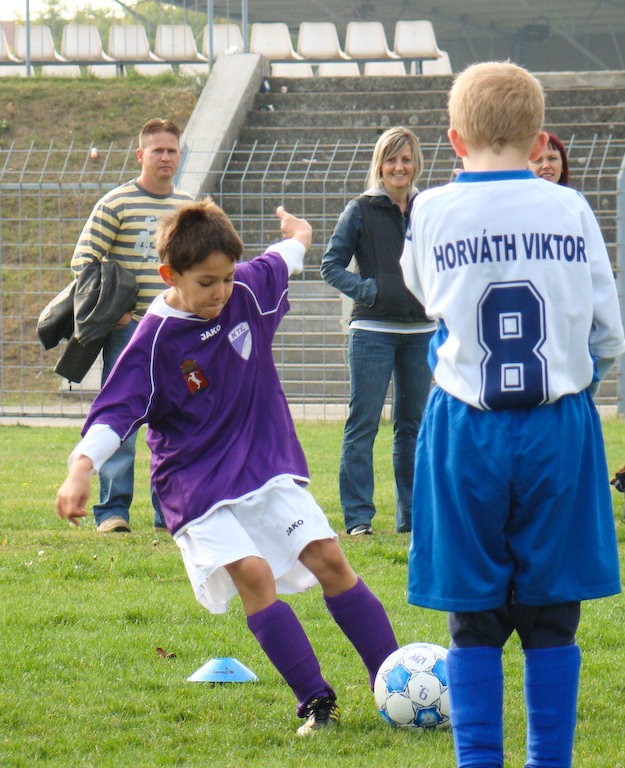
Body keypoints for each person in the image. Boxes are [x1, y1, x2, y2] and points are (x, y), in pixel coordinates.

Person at [56, 200, 399, 736]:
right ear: (170, 276)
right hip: (193, 483)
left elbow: (284, 257)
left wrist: (301, 234)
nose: (220, 292)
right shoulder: (152, 342)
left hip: (262, 464)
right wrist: (81, 468)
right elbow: (114, 411)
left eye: (226, 278)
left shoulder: (245, 290)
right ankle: (315, 701)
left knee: (331, 558)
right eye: (206, 282)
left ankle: (397, 682)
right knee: (256, 574)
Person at [399, 61, 625, 768]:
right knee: (552, 609)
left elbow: (422, 291)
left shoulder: (431, 208)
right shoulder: (570, 208)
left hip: (466, 424)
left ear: (455, 138)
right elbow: (609, 336)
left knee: (473, 612)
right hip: (557, 424)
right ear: (538, 139)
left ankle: (479, 762)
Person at [70, 118, 193, 533]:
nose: (165, 157)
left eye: (171, 150)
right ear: (140, 155)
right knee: (120, 419)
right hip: (130, 330)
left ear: (180, 155)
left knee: (175, 422)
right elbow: (84, 261)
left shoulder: (188, 208)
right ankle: (113, 513)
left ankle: (170, 512)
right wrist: (118, 315)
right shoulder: (116, 203)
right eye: (157, 150)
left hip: (178, 332)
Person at [320, 127, 435, 536]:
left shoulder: (429, 208)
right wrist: (366, 289)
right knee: (363, 423)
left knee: (413, 427)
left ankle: (413, 517)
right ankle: (358, 519)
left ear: (415, 163)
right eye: (391, 160)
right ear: (380, 165)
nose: (399, 167)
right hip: (371, 330)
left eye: (406, 159)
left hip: (422, 331)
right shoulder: (360, 209)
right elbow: (330, 264)